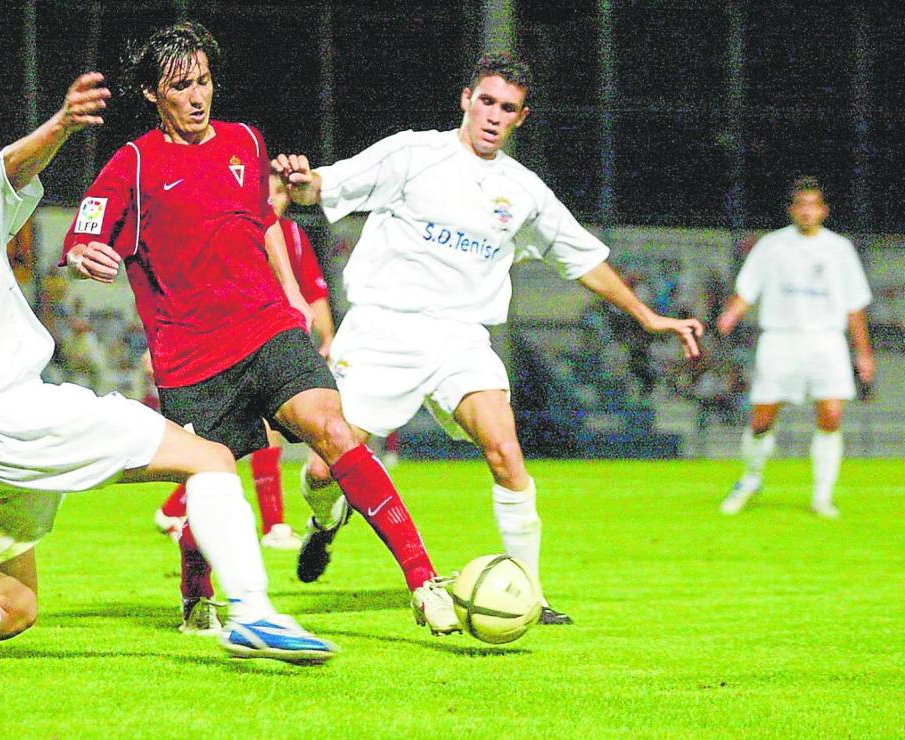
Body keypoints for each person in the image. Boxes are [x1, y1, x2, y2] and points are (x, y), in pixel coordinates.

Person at [0, 73, 334, 671]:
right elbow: (10, 169)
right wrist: (62, 124)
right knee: (211, 457)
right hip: (11, 413)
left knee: (13, 605)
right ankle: (253, 613)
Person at [272, 51, 705, 625]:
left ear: (520, 118)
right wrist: (301, 181)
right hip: (382, 329)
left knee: (505, 450)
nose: (494, 115)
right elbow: (325, 187)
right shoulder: (413, 154)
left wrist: (647, 316)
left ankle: (531, 592)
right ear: (466, 100)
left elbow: (582, 260)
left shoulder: (523, 192)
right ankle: (325, 522)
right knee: (326, 469)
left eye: (509, 108)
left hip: (461, 339)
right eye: (487, 101)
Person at [62, 21, 459, 636]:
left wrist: (296, 295)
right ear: (151, 94)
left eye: (204, 81)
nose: (197, 97)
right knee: (213, 474)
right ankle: (197, 594)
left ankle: (423, 582)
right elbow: (84, 230)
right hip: (193, 357)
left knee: (332, 428)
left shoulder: (245, 141)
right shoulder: (134, 162)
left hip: (269, 329)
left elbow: (262, 222)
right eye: (180, 86)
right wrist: (85, 250)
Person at [152, 202, 335, 552]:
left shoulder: (291, 235)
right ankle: (273, 526)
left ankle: (176, 508)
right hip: (230, 340)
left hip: (276, 337)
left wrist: (326, 337)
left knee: (238, 442)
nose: (278, 197)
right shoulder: (225, 225)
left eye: (282, 190)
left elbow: (312, 289)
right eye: (271, 189)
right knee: (241, 439)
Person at [716, 176, 874, 518]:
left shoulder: (840, 249)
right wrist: (731, 313)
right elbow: (747, 289)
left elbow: (854, 306)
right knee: (762, 418)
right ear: (791, 210)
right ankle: (751, 477)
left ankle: (821, 496)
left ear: (824, 210)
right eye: (801, 205)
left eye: (813, 205)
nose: (806, 211)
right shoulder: (771, 246)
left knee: (831, 415)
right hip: (780, 338)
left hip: (826, 340)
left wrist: (863, 352)